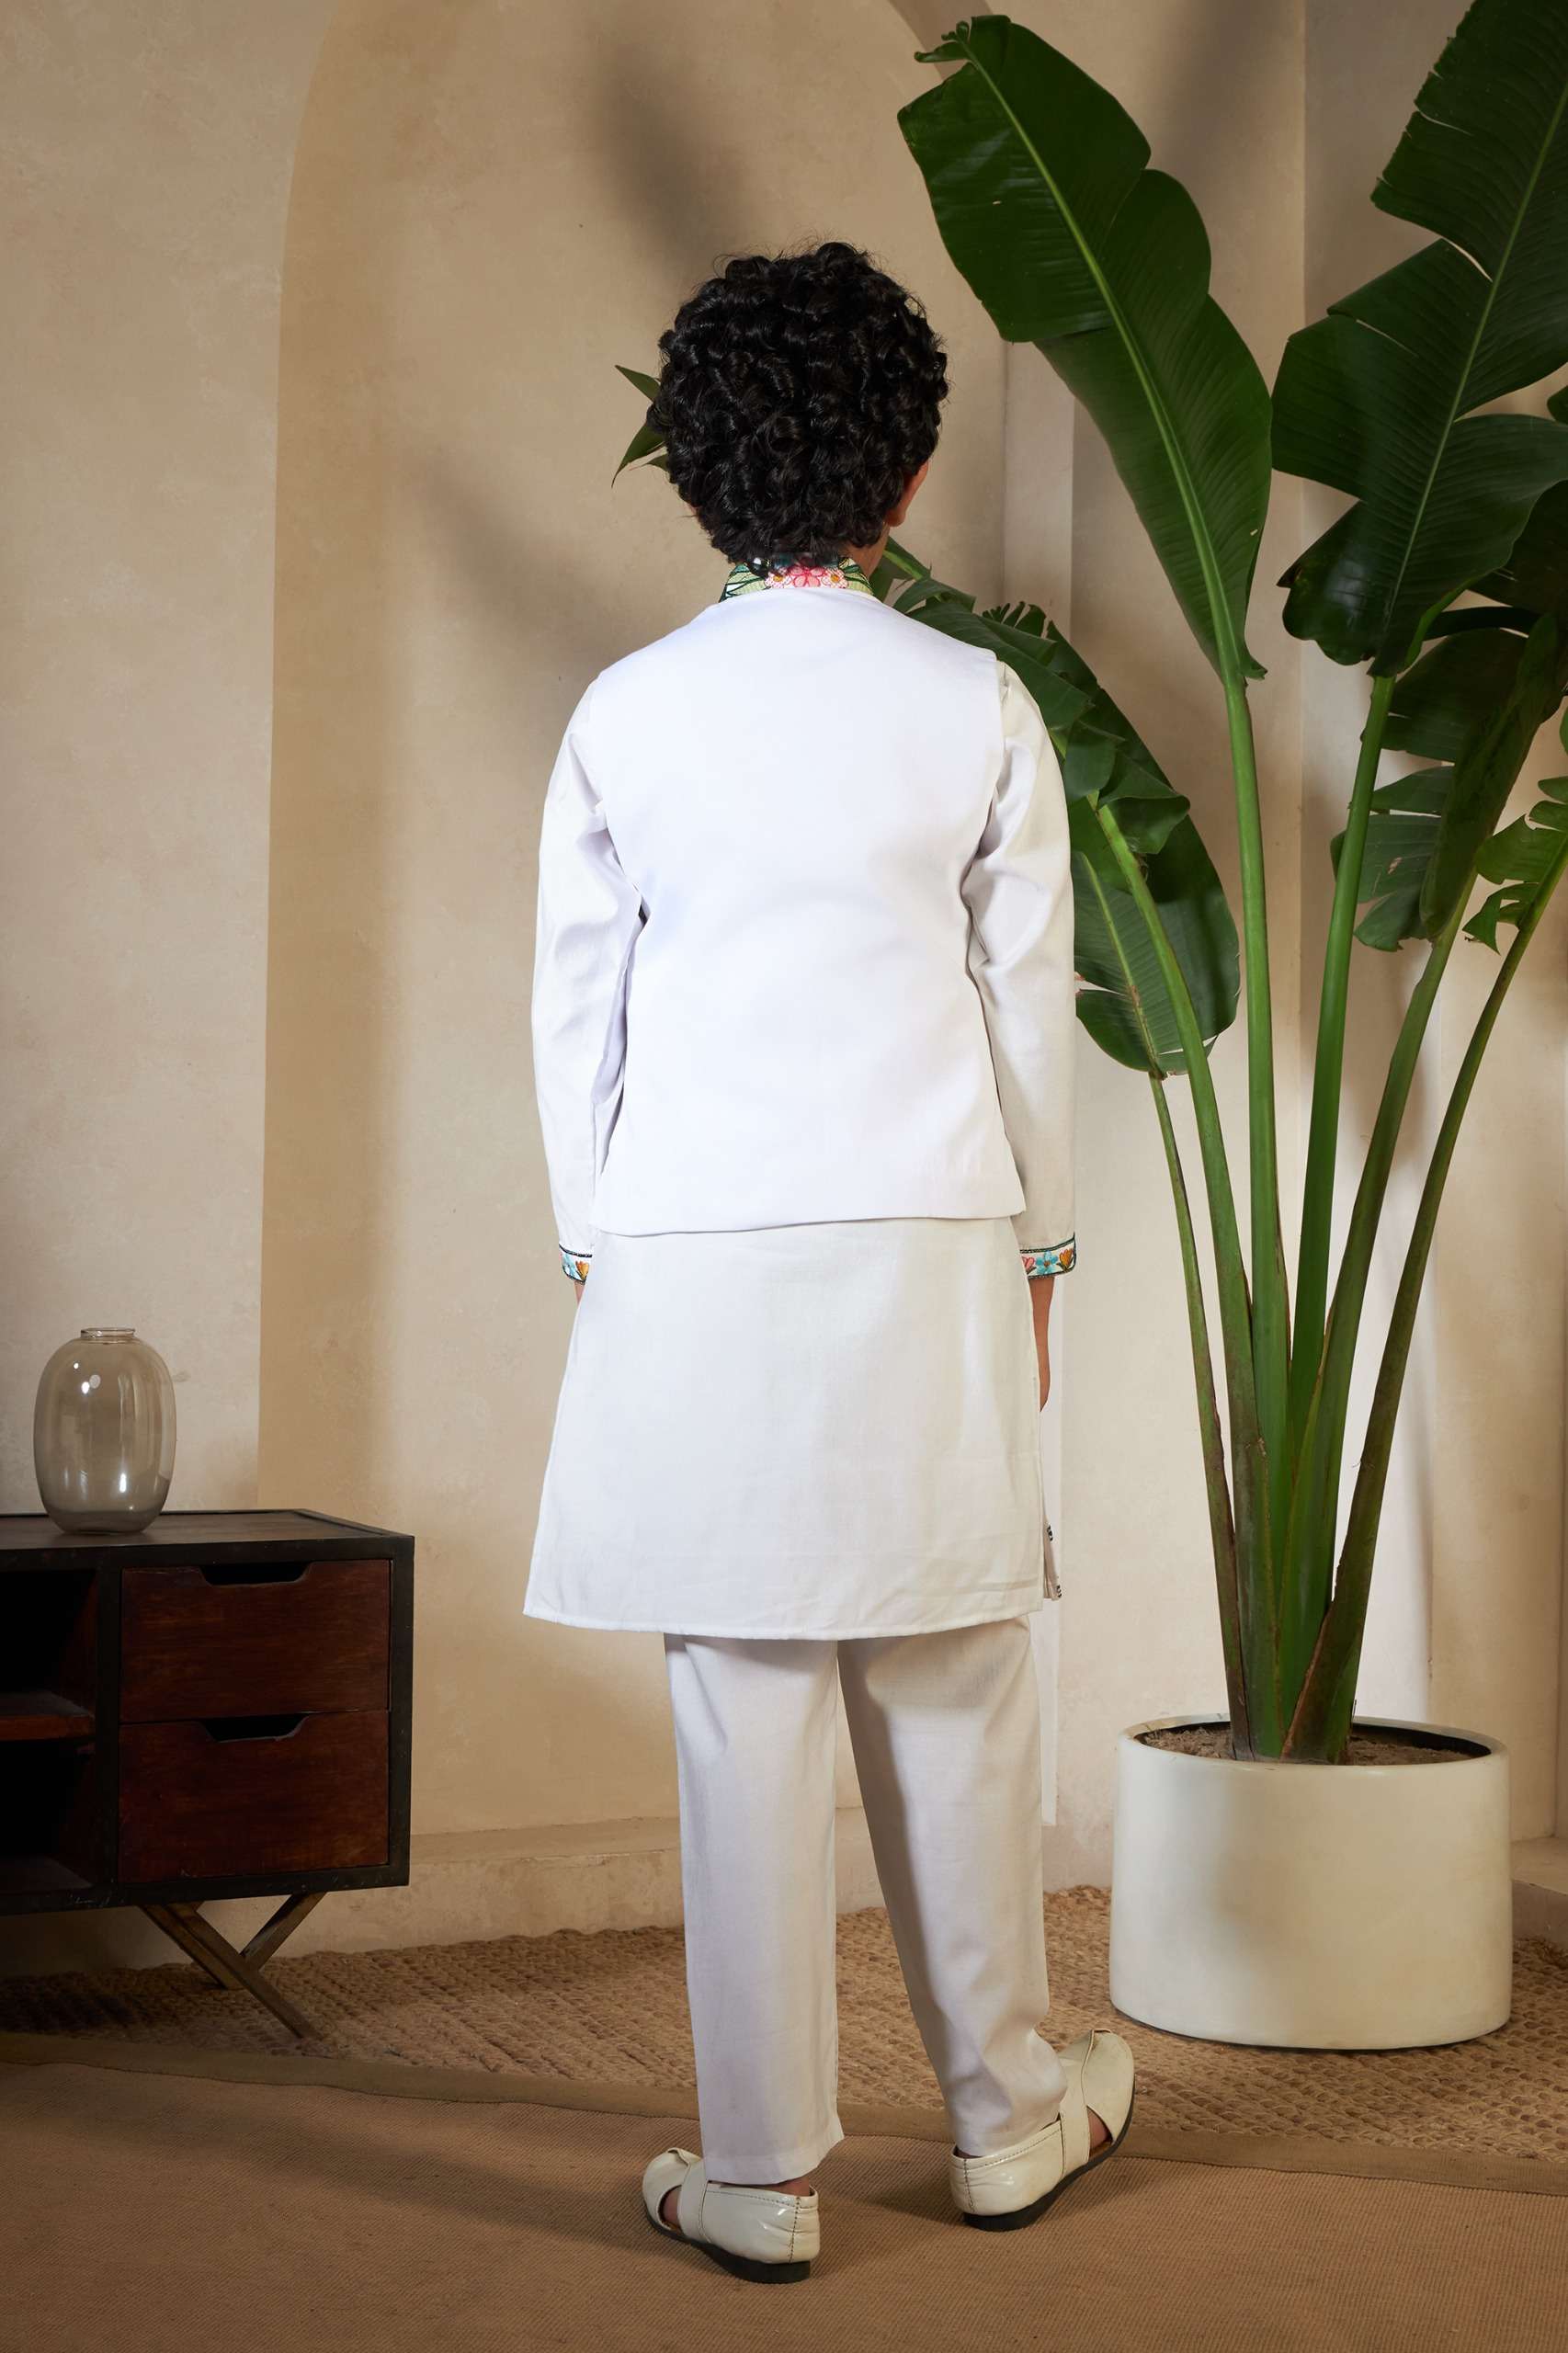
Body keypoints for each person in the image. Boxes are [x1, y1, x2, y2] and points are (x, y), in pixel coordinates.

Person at [525, 240, 1134, 2286]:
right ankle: (1006, 2118)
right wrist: (1040, 1253)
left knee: (741, 1696)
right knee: (958, 1669)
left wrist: (595, 1249)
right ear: (904, 473)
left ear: (692, 468)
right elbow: (1023, 1009)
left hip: (686, 1242)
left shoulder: (625, 712)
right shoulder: (974, 701)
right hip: (929, 1228)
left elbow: (576, 1019)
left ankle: (760, 2173)